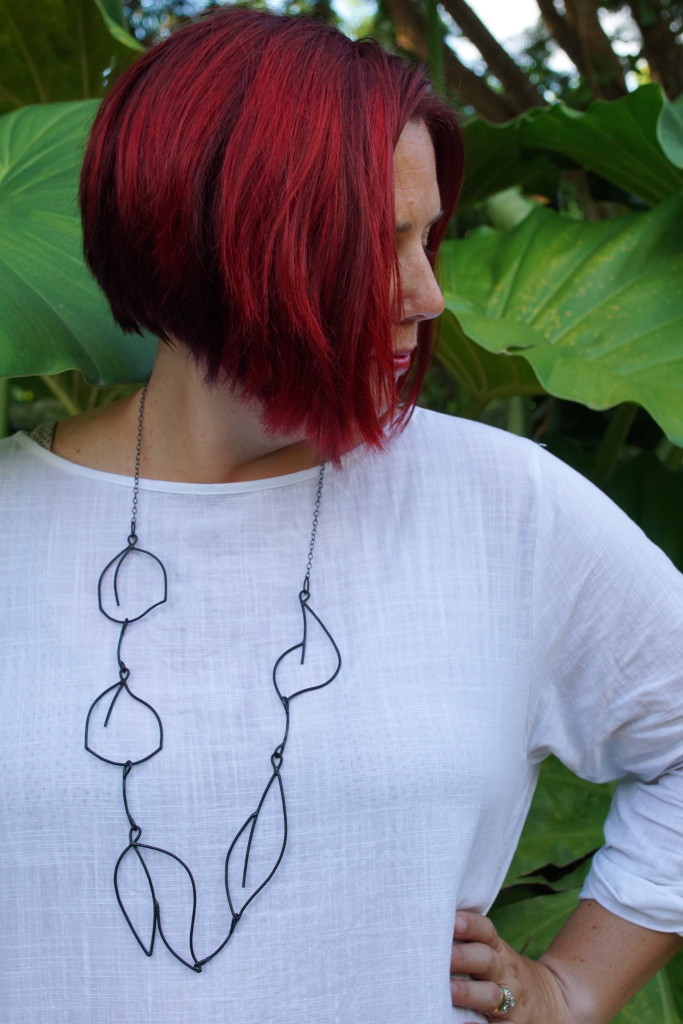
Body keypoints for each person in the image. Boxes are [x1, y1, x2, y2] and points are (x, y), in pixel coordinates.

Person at [1, 9, 682, 1023]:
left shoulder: (503, 511)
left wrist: (573, 986)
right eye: (379, 244)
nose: (429, 294)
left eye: (428, 237)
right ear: (220, 249)